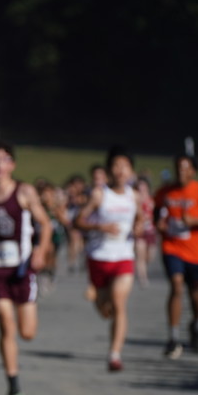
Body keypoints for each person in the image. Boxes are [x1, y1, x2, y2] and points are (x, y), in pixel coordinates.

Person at [0, 141, 52, 395]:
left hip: (22, 268)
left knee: (27, 332)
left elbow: (45, 224)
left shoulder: (24, 192)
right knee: (6, 324)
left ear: (12, 164)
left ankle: (14, 380)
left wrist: (40, 250)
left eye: (4, 159)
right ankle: (13, 386)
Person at [74, 147, 142, 372]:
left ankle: (115, 355)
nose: (121, 170)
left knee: (119, 303)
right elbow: (78, 221)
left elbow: (140, 217)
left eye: (125, 166)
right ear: (109, 170)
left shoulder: (134, 196)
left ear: (131, 171)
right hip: (99, 257)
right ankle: (98, 298)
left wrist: (138, 227)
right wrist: (100, 227)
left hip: (123, 256)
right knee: (106, 311)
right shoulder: (99, 195)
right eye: (116, 166)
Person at [154, 154, 198, 357]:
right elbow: (156, 213)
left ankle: (196, 324)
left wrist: (194, 221)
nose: (180, 172)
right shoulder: (165, 192)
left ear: (193, 171)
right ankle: (173, 338)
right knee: (176, 286)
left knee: (195, 292)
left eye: (185, 168)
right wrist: (159, 224)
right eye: (178, 167)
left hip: (195, 251)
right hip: (172, 247)